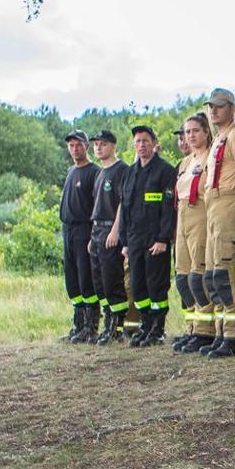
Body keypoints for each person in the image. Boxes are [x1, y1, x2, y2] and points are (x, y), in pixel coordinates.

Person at [197, 89, 235, 357]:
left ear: (232, 108)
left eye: (219, 106)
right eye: (211, 106)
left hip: (232, 207)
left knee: (229, 272)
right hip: (214, 209)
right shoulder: (219, 138)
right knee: (214, 275)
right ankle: (223, 330)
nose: (213, 111)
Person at [105, 125, 177, 347]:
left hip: (155, 240)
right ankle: (145, 326)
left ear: (154, 143)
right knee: (138, 286)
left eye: (146, 140)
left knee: (156, 286)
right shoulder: (129, 173)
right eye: (138, 141)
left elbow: (168, 208)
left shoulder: (165, 171)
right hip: (134, 240)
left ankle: (158, 329)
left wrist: (163, 239)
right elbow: (125, 208)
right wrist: (125, 242)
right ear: (133, 145)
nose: (142, 145)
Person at [172, 114, 216, 353]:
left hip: (201, 214)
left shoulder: (211, 156)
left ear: (206, 131)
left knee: (198, 276)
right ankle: (191, 326)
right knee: (182, 277)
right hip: (183, 216)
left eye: (195, 130)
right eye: (187, 132)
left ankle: (205, 330)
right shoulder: (186, 162)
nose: (190, 136)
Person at [87, 129, 132, 344]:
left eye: (103, 144)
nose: (98, 147)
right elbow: (96, 205)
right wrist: (91, 237)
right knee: (99, 281)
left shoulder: (121, 170)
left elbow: (123, 203)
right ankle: (107, 325)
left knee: (112, 279)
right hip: (97, 230)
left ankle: (117, 327)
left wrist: (116, 231)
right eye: (96, 144)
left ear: (113, 146)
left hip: (110, 230)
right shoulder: (100, 172)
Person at [58, 131, 100, 343]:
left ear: (86, 146)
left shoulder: (94, 172)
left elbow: (99, 207)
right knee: (72, 279)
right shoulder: (71, 171)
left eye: (78, 145)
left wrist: (94, 235)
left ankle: (91, 326)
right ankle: (79, 324)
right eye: (71, 145)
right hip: (68, 230)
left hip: (85, 230)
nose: (74, 149)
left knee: (86, 278)